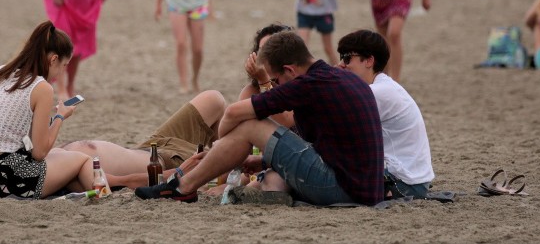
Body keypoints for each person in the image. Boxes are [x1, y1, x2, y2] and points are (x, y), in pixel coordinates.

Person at [135, 31, 384, 206]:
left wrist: (224, 145)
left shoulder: (308, 85)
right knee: (252, 132)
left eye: (275, 80)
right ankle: (185, 184)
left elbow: (233, 112)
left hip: (343, 190)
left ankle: (183, 187)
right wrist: (264, 159)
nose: (276, 86)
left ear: (289, 70)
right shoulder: (342, 78)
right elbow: (330, 147)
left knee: (251, 124)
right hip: (367, 189)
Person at [0, 21, 95, 198]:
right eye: (64, 66)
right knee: (83, 159)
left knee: (61, 155)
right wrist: (60, 117)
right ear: (53, 59)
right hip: (10, 180)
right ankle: (102, 195)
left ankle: (90, 190)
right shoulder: (41, 87)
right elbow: (39, 153)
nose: (61, 72)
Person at [337, 30, 434, 198]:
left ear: (369, 60)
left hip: (403, 185)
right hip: (411, 181)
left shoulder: (378, 92)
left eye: (347, 58)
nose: (341, 64)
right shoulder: (384, 86)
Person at [61, 90, 226, 188]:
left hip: (151, 146)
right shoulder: (45, 176)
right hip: (161, 161)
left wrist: (58, 117)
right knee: (224, 162)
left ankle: (223, 161)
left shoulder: (44, 156)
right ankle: (226, 168)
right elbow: (123, 182)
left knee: (213, 98)